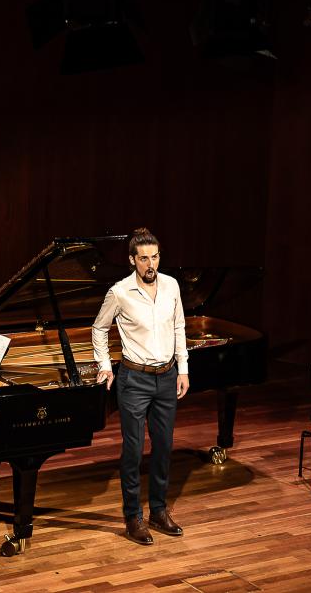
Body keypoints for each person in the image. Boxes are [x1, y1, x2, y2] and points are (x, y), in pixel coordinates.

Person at [91, 228, 190, 545]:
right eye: (144, 258)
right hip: (134, 380)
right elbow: (99, 327)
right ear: (133, 260)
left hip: (166, 377)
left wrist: (183, 369)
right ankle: (133, 516)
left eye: (155, 256)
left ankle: (158, 512)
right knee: (133, 451)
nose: (151, 264)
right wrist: (105, 366)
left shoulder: (172, 286)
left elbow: (179, 327)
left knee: (163, 448)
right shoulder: (119, 292)